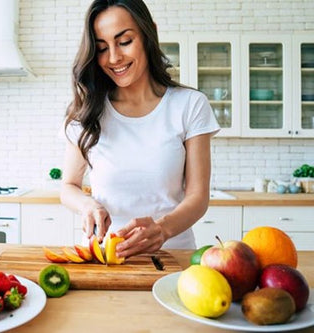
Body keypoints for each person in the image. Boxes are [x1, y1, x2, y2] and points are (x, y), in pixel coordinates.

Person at [60, 0, 220, 258]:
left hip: (173, 256)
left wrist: (162, 230)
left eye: (124, 42)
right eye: (102, 48)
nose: (114, 58)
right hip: (104, 257)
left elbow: (198, 197)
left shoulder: (189, 105)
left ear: (150, 34)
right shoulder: (86, 111)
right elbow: (68, 186)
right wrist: (87, 205)